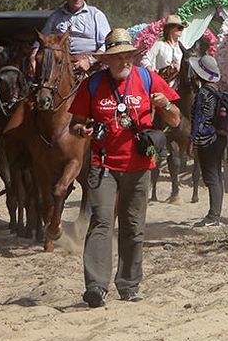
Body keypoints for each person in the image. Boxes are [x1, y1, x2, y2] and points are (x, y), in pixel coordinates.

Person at [66, 28, 181, 308]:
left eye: (128, 55)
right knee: (102, 221)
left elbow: (176, 120)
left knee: (133, 226)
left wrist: (165, 104)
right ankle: (96, 286)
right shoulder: (92, 85)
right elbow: (75, 124)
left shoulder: (147, 78)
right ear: (107, 60)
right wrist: (83, 131)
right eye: (118, 57)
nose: (124, 61)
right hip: (103, 164)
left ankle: (129, 286)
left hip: (139, 165)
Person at [188, 55, 228, 227]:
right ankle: (215, 213)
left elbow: (201, 118)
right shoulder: (218, 91)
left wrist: (193, 140)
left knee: (211, 177)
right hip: (220, 138)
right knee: (217, 175)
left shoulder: (203, 93)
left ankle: (213, 216)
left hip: (207, 140)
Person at [42, 0, 110, 74]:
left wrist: (90, 60)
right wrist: (33, 57)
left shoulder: (96, 15)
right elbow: (42, 40)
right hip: (61, 68)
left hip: (92, 68)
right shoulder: (55, 17)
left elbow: (107, 44)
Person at [140, 15, 185, 84]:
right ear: (170, 28)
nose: (181, 30)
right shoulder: (159, 45)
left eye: (182, 28)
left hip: (177, 84)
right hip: (161, 83)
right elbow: (145, 60)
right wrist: (152, 74)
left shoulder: (181, 48)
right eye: (179, 28)